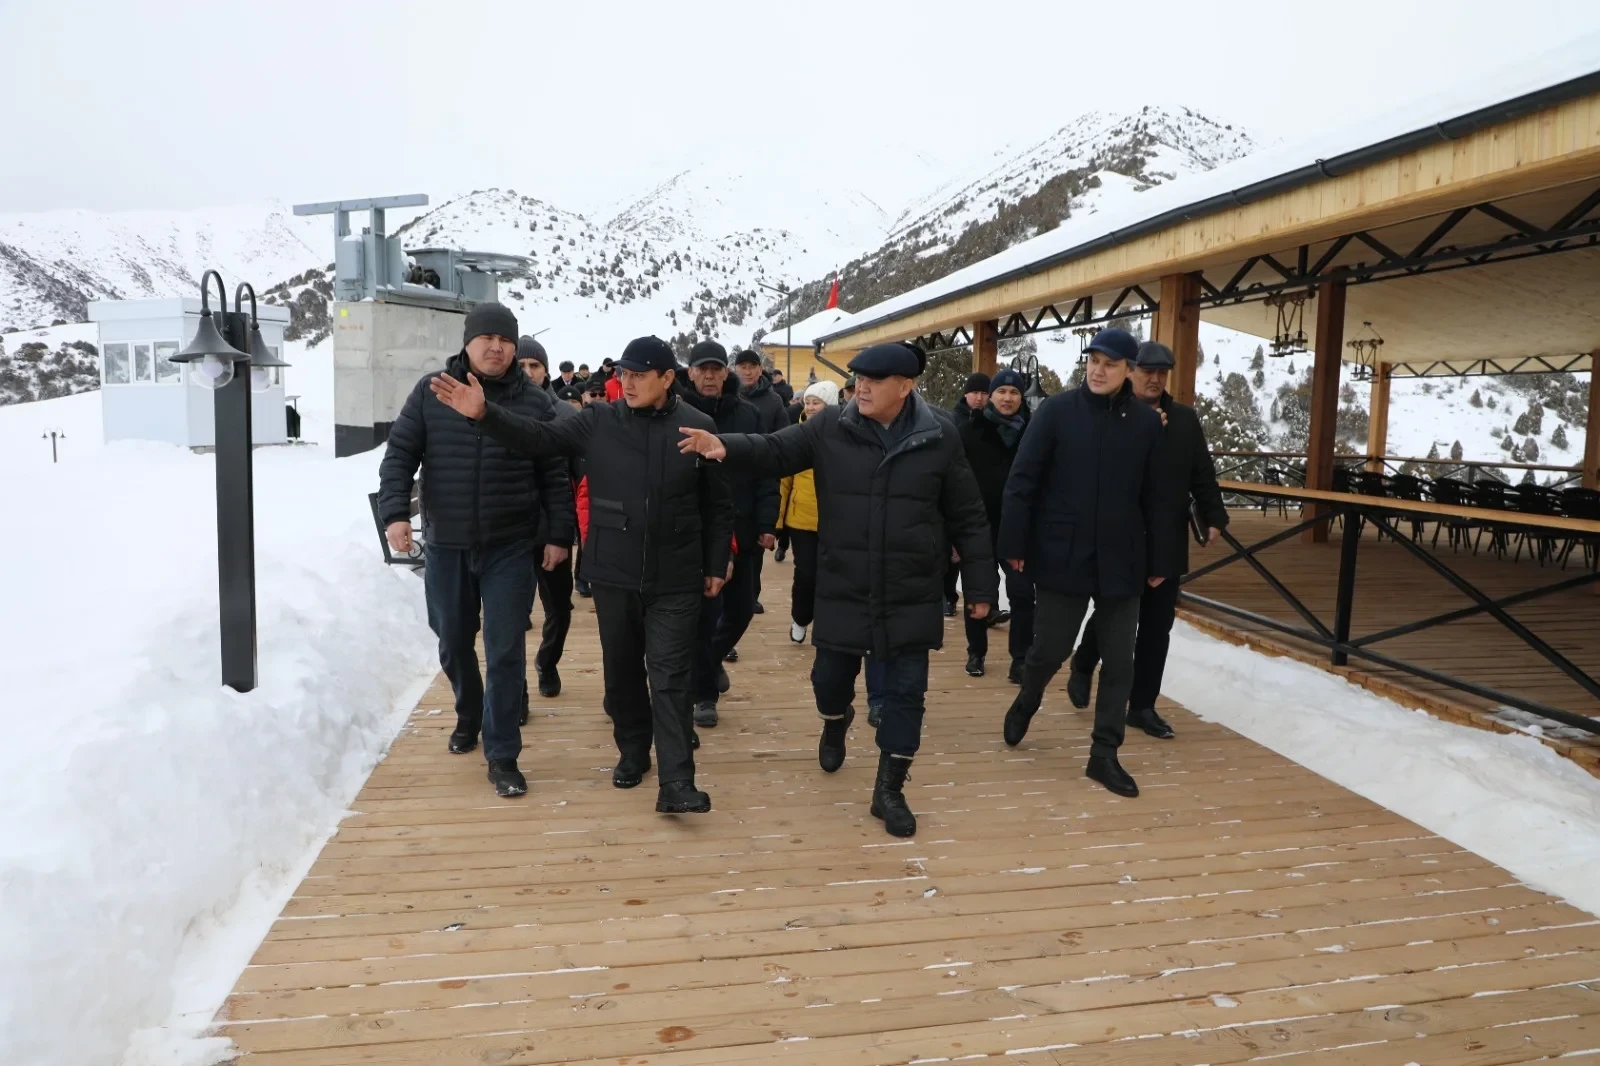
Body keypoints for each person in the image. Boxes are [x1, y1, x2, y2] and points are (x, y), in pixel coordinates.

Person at [680, 342, 996, 838]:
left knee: (905, 696)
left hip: (910, 588)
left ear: (906, 386)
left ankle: (889, 790)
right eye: (858, 379)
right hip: (843, 584)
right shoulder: (830, 426)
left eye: (873, 380)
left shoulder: (939, 435)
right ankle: (835, 719)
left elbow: (968, 514)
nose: (861, 388)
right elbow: (776, 449)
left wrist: (980, 584)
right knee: (828, 683)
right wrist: (726, 446)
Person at [430, 335, 733, 814]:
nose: (627, 383)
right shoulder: (598, 421)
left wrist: (716, 562)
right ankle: (633, 750)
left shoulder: (698, 427)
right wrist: (485, 414)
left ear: (667, 378)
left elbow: (718, 504)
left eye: (639, 375)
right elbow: (537, 438)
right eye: (624, 374)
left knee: (671, 675)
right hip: (614, 570)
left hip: (677, 573)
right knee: (622, 672)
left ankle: (677, 781)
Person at [377, 301, 575, 799]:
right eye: (487, 338)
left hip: (510, 545)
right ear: (467, 342)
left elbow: (553, 471)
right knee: (451, 638)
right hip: (447, 544)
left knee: (505, 649)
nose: (497, 348)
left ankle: (502, 753)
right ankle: (469, 711)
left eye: (505, 340)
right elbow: (399, 455)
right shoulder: (432, 392)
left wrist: (558, 534)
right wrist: (395, 513)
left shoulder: (534, 402)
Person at [996, 327, 1174, 799]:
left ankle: (1104, 753)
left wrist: (1161, 556)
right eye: (1094, 361)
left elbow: (1158, 497)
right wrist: (1014, 543)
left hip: (1123, 559)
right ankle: (1028, 698)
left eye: (1110, 364)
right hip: (1062, 553)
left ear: (1128, 371)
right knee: (1050, 650)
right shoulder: (1056, 412)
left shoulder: (1145, 424)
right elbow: (1022, 481)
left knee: (1119, 660)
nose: (1098, 370)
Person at [1066, 340, 1228, 739]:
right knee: (1114, 614)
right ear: (1130, 371)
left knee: (1157, 627)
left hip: (1166, 538)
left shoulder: (1184, 420)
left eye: (1161, 373)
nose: (1154, 379)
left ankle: (1142, 706)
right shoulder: (1110, 413)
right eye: (1146, 371)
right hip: (1120, 537)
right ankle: (1084, 663)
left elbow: (1202, 472)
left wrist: (1214, 514)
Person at [679, 341, 777, 728]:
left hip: (744, 524)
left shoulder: (749, 414)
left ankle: (709, 659)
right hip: (698, 532)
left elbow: (765, 467)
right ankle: (703, 694)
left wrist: (767, 523)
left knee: (741, 610)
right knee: (704, 617)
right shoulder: (679, 414)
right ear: (690, 373)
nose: (708, 376)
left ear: (726, 373)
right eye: (702, 369)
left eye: (715, 369)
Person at [958, 367, 1036, 682]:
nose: (1007, 398)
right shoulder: (969, 431)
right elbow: (956, 481)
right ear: (991, 396)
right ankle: (976, 651)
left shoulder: (1034, 432)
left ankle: (1021, 658)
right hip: (978, 526)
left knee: (1022, 593)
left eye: (1014, 392)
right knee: (979, 591)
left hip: (1018, 528)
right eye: (1001, 391)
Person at [778, 380, 836, 644]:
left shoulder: (844, 436)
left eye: (817, 403)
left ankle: (827, 623)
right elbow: (784, 482)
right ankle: (800, 618)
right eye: (808, 402)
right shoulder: (796, 435)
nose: (811, 407)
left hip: (836, 520)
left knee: (833, 575)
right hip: (801, 519)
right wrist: (777, 522)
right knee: (806, 574)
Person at [731, 349, 787, 621]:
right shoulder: (729, 396)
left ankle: (751, 594)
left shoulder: (773, 401)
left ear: (759, 369)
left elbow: (784, 436)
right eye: (742, 366)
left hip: (761, 473)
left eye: (752, 366)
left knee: (755, 542)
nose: (747, 371)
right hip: (731, 473)